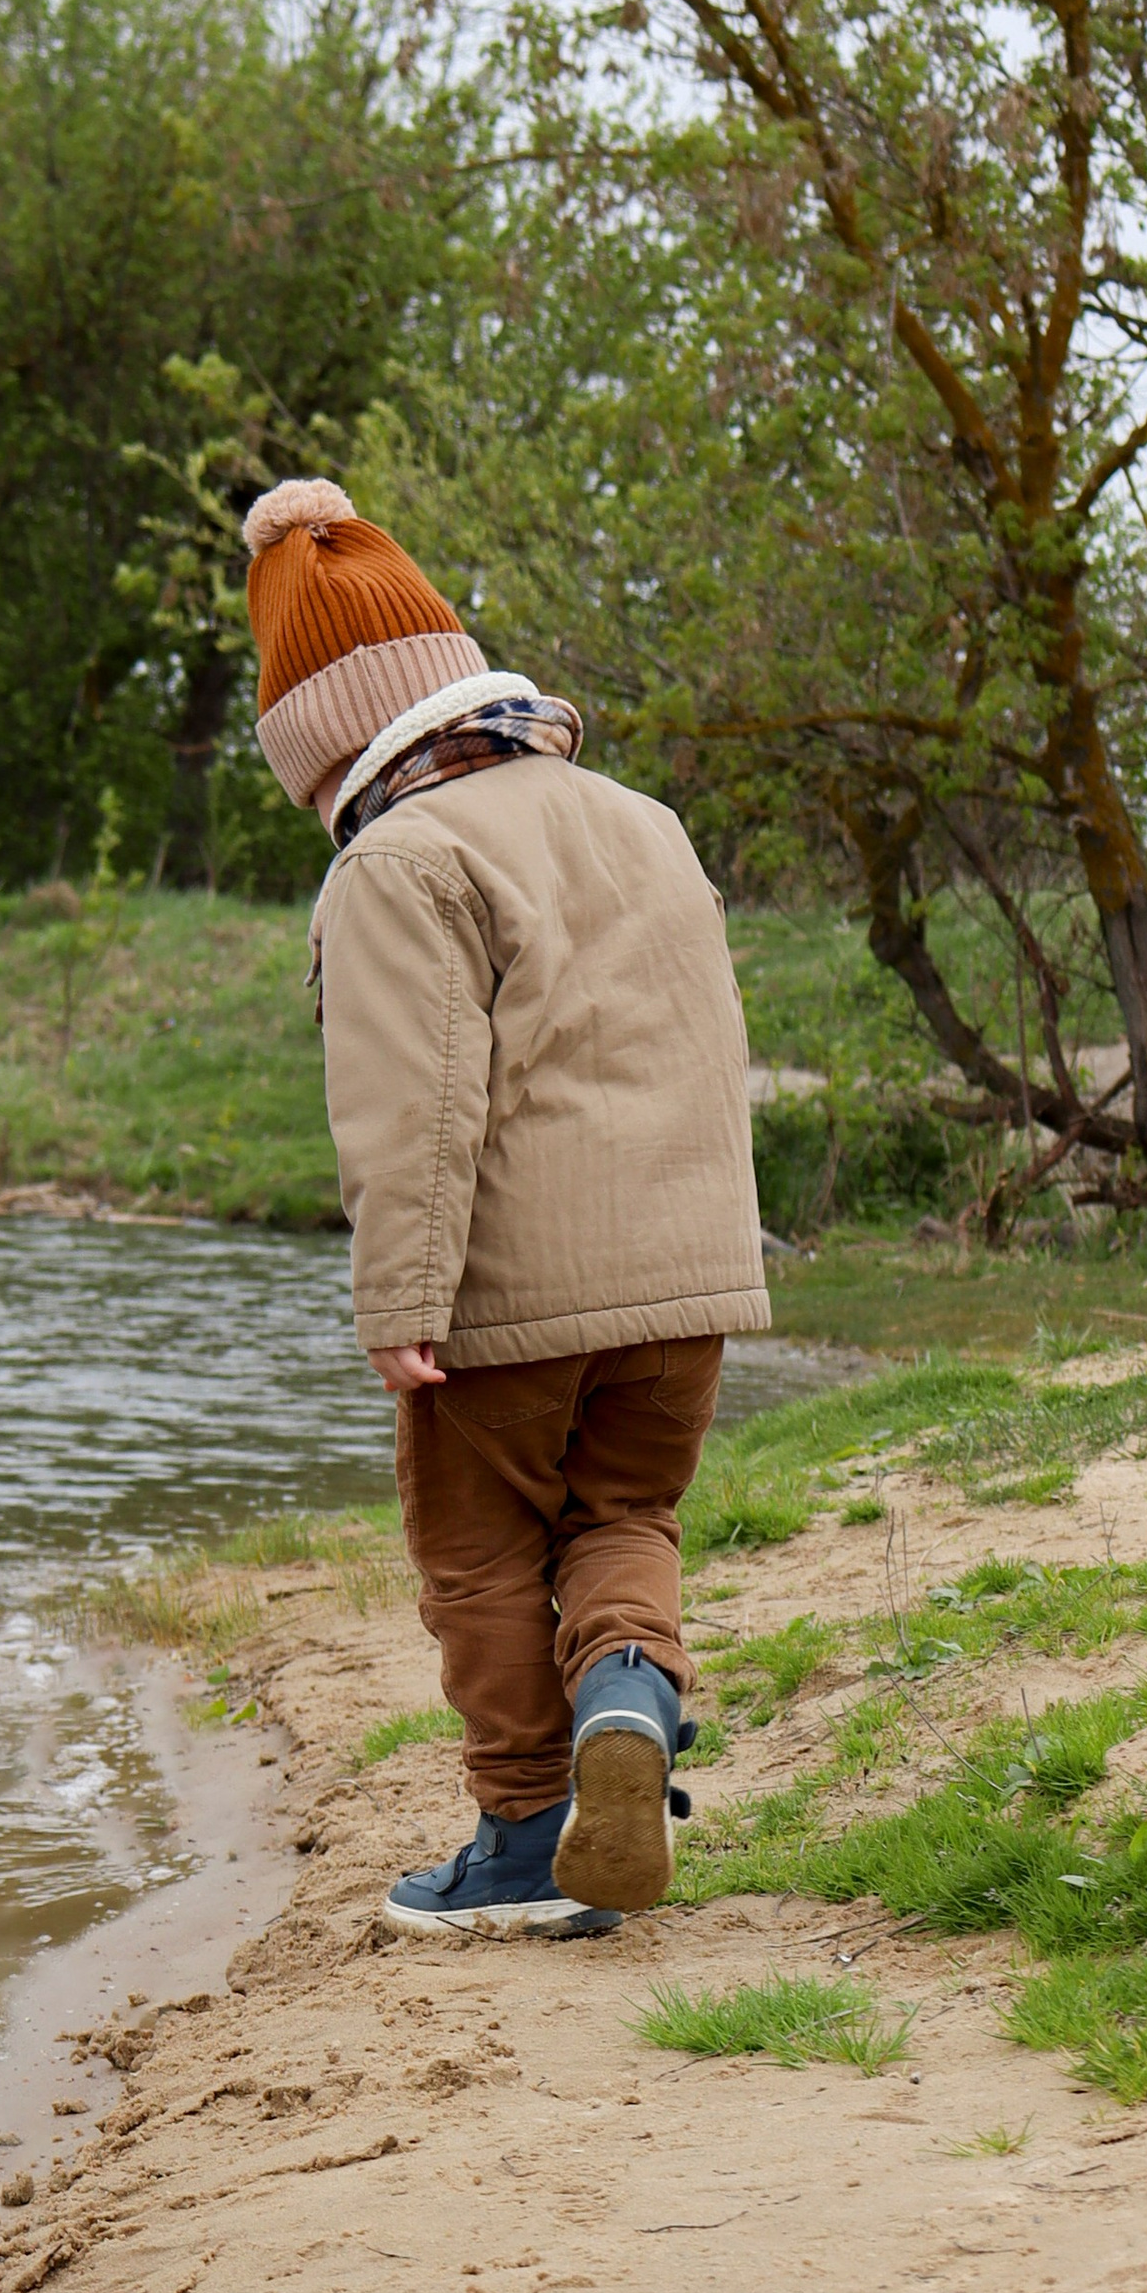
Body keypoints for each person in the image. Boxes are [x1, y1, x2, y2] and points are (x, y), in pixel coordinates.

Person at [244, 476, 770, 1935]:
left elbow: (416, 1108)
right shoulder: (643, 820)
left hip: (511, 1294)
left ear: (325, 747)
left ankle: (529, 1832)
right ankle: (628, 1700)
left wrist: (400, 1304)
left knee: (477, 1555)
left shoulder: (398, 860)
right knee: (626, 1515)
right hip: (688, 1275)